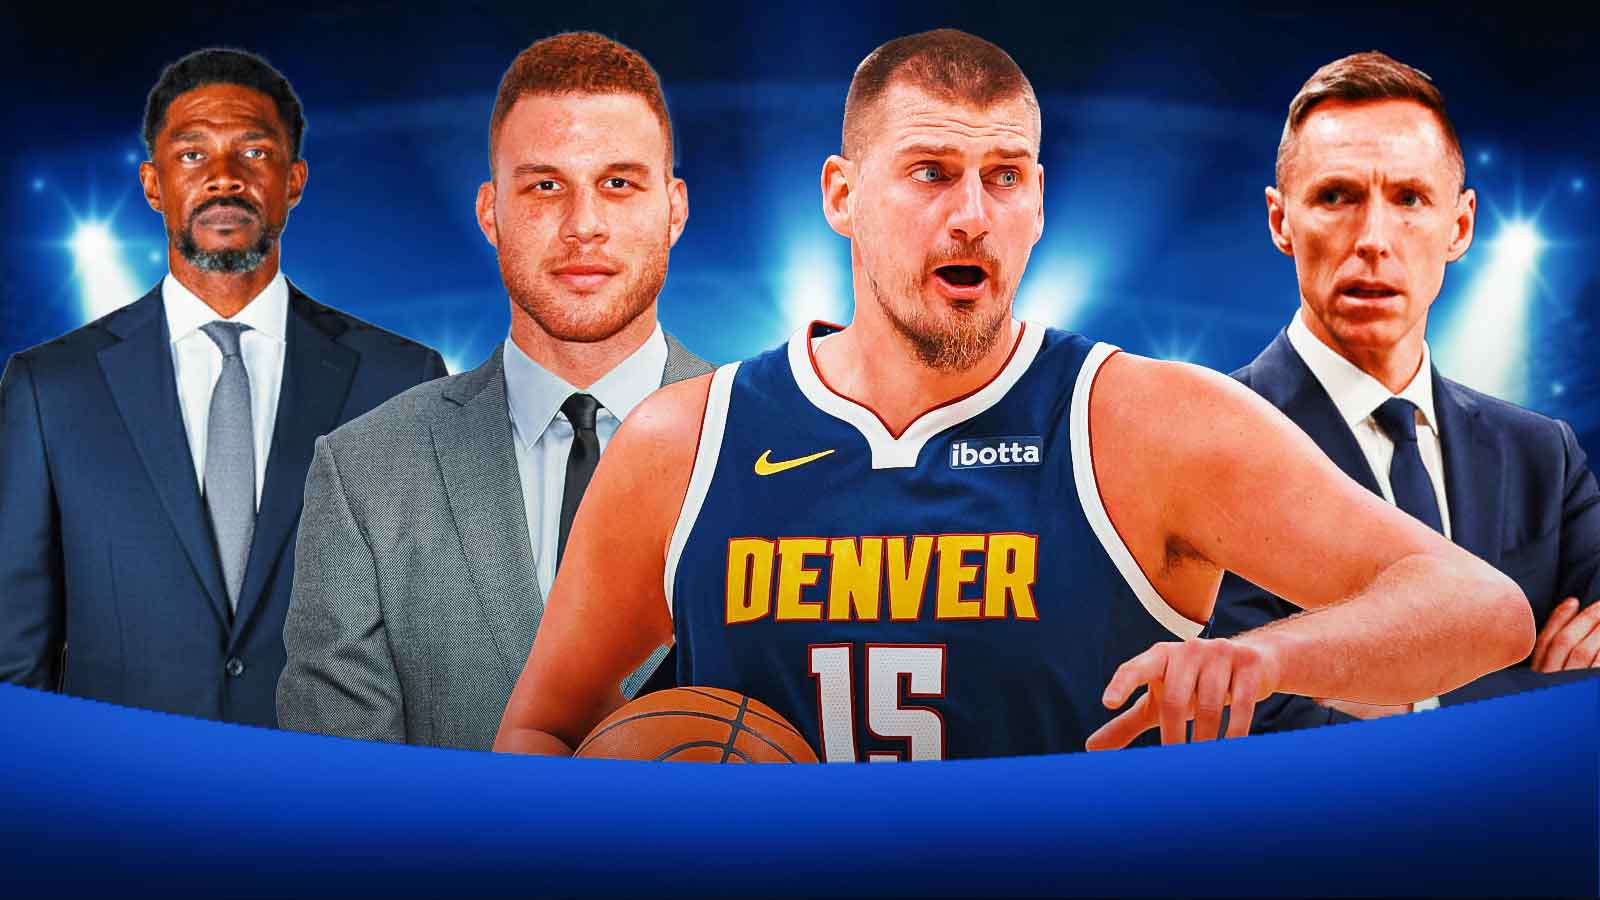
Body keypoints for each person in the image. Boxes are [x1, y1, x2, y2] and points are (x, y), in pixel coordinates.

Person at [493, 29, 1532, 760]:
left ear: (1039, 201)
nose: (972, 215)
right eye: (932, 172)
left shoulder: (1144, 423)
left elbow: (1479, 609)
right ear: (842, 196)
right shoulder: (685, 442)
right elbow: (539, 730)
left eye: (1006, 175)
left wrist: (1265, 656)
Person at [276, 32, 711, 750]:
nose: (583, 226)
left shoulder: (782, 451)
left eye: (618, 183)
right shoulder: (364, 474)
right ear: (490, 211)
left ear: (674, 208)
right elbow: (340, 812)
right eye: (545, 185)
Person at [0, 49, 446, 725]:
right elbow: (14, 659)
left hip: (336, 806)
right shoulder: (50, 389)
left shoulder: (400, 380)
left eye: (254, 152)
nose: (224, 179)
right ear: (153, 184)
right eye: (191, 156)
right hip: (117, 812)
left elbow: (431, 645)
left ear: (293, 180)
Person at [1207, 51, 1600, 731]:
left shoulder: (1546, 456)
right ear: (1280, 221)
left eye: (1409, 199)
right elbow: (1248, 715)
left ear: (1461, 226)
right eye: (1337, 197)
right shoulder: (1203, 443)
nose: (1373, 239)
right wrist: (1534, 697)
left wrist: (1402, 700)